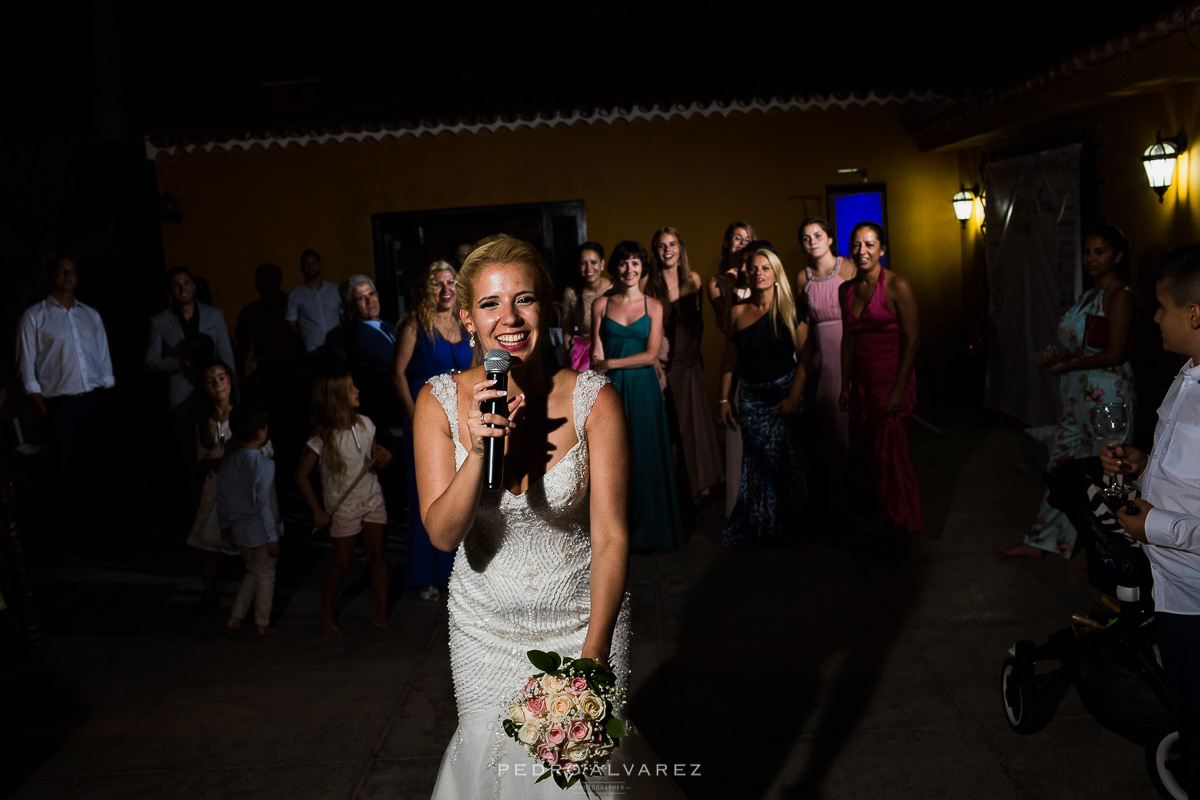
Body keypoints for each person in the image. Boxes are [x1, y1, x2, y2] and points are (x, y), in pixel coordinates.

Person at [413, 237, 682, 798]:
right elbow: (441, 535)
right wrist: (482, 446)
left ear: (547, 311)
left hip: (583, 620)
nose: (508, 318)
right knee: (495, 771)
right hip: (483, 627)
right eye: (489, 304)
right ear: (466, 318)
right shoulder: (437, 402)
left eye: (524, 299)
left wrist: (593, 658)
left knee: (584, 782)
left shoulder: (594, 400)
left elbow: (611, 537)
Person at [1101, 243, 1200, 796]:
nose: (1154, 316)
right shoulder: (1186, 375)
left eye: (1161, 306)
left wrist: (1153, 527)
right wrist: (1140, 468)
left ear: (1196, 313)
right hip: (1172, 590)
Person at [999, 224, 1136, 559]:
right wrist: (1058, 359)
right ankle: (1045, 541)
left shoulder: (1120, 295)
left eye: (1099, 251)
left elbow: (1115, 353)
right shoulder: (1087, 297)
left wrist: (1066, 367)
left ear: (1117, 256)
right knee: (1061, 468)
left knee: (1111, 473)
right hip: (1076, 396)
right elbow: (1084, 348)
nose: (1091, 258)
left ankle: (1114, 549)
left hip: (1107, 394)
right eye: (1087, 251)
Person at [840, 222, 924, 560]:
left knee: (893, 459)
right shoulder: (845, 289)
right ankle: (882, 523)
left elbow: (914, 338)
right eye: (857, 244)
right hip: (862, 382)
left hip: (892, 380)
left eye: (870, 244)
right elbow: (848, 339)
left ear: (882, 249)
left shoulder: (897, 286)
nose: (862, 251)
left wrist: (899, 389)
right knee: (871, 459)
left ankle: (898, 528)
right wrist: (845, 384)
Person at [593, 240, 684, 552]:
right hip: (611, 388)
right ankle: (619, 534)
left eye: (635, 263)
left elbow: (650, 356)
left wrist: (611, 363)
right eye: (623, 262)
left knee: (647, 456)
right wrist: (602, 370)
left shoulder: (654, 306)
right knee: (616, 460)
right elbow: (596, 353)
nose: (629, 269)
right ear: (615, 267)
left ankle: (654, 530)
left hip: (643, 387)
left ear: (643, 267)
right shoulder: (601, 305)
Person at [391, 261, 474, 601]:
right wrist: (415, 419)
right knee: (428, 496)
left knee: (462, 492)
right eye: (437, 283)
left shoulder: (466, 321)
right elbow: (396, 373)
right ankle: (428, 574)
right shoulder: (415, 324)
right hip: (425, 420)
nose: (445, 289)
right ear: (428, 288)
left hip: (461, 419)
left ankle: (461, 571)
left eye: (451, 282)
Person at [718, 248, 808, 545]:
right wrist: (724, 400)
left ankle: (792, 526)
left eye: (766, 268)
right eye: (754, 268)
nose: (759, 273)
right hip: (752, 398)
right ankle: (762, 528)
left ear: (776, 275)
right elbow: (729, 360)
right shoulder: (737, 312)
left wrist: (794, 397)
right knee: (756, 465)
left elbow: (807, 359)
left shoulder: (792, 309)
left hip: (785, 393)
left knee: (788, 462)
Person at [296, 369, 393, 635]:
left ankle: (382, 612)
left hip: (371, 497)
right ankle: (326, 614)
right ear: (336, 397)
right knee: (342, 561)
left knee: (377, 556)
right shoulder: (323, 436)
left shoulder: (365, 423)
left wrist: (385, 460)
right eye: (350, 388)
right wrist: (317, 511)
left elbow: (376, 458)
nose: (357, 391)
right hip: (343, 505)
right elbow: (301, 476)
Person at [16, 257, 115, 491]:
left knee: (96, 469)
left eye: (72, 270)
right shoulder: (34, 317)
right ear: (52, 275)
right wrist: (44, 411)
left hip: (93, 401)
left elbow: (103, 358)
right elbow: (26, 368)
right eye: (61, 269)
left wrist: (106, 394)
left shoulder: (91, 315)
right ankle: (67, 523)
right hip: (60, 407)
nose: (67, 274)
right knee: (64, 474)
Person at [645, 226, 724, 506]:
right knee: (671, 427)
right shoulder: (648, 285)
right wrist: (654, 359)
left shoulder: (694, 280)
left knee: (695, 427)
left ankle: (698, 486)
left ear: (680, 249)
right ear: (655, 252)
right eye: (662, 246)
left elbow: (699, 323)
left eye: (672, 244)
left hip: (691, 362)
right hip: (665, 363)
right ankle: (676, 490)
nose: (668, 250)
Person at [795, 217, 856, 521]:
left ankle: (855, 500)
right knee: (825, 430)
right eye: (806, 238)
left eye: (817, 235)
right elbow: (803, 325)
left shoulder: (848, 268)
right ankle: (831, 505)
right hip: (819, 359)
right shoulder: (802, 278)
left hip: (848, 352)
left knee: (849, 428)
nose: (812, 242)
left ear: (830, 238)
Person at [217, 404, 282, 637]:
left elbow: (221, 497)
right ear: (260, 433)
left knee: (253, 572)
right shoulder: (265, 466)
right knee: (266, 575)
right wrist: (272, 536)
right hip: (260, 532)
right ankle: (262, 622)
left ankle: (236, 617)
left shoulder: (228, 462)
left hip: (239, 531)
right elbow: (265, 504)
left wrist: (225, 526)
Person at [186, 361, 245, 612]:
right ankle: (209, 593)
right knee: (206, 543)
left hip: (240, 488)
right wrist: (212, 463)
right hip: (214, 489)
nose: (218, 385)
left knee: (245, 541)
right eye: (211, 382)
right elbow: (200, 459)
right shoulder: (205, 423)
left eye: (221, 379)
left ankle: (250, 594)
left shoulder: (243, 416)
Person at [146, 266, 236, 414]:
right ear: (170, 290)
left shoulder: (215, 315)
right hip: (180, 396)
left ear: (194, 287)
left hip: (215, 391)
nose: (182, 289)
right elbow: (151, 360)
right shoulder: (159, 321)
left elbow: (226, 355)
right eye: (176, 285)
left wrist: (232, 390)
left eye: (186, 283)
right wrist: (180, 363)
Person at [342, 274, 401, 429]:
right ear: (351, 306)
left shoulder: (387, 326)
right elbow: (399, 365)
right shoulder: (359, 337)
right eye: (361, 298)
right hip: (387, 412)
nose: (370, 301)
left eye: (371, 294)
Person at [561, 242, 612, 371]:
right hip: (583, 356)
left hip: (612, 350)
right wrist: (570, 356)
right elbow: (567, 330)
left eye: (593, 262)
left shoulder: (614, 288)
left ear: (602, 264)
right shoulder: (571, 293)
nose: (589, 267)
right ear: (578, 267)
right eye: (583, 263)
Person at [286, 249, 343, 353]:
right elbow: (291, 323)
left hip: (335, 347)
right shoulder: (295, 294)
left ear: (319, 265)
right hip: (311, 349)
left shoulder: (334, 289)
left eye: (313, 263)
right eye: (307, 264)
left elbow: (343, 316)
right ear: (301, 267)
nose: (310, 267)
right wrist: (301, 341)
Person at [706, 221, 757, 333]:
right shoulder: (715, 283)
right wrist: (729, 288)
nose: (743, 243)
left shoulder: (758, 275)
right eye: (738, 238)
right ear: (726, 243)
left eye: (747, 240)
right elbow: (726, 325)